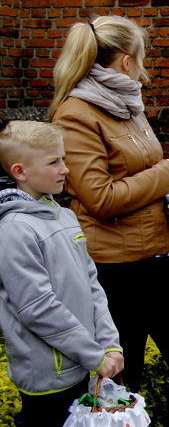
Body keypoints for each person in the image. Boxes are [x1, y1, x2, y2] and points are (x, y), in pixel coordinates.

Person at [49, 16, 169, 426]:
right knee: (126, 377)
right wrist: (167, 175)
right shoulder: (75, 113)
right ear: (128, 60)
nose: (145, 64)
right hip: (114, 268)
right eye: (143, 55)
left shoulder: (127, 103)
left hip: (156, 255)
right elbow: (99, 198)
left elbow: (156, 168)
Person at [0, 120, 124, 427]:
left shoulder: (66, 217)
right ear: (20, 172)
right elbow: (37, 307)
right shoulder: (14, 230)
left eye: (64, 159)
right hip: (49, 376)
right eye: (54, 162)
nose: (65, 169)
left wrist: (109, 344)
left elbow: (91, 283)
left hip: (83, 363)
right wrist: (94, 356)